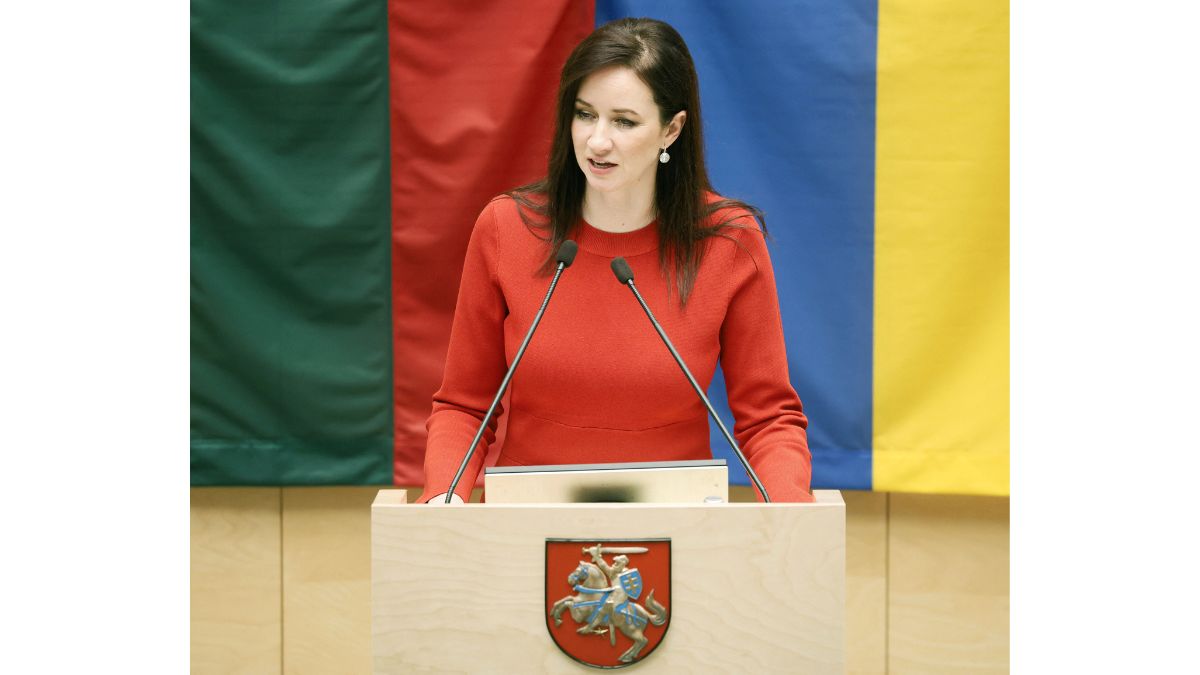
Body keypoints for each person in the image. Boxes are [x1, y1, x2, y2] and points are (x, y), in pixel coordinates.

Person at [420, 17, 813, 504]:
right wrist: (443, 498)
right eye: (586, 115)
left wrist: (791, 512)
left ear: (672, 129)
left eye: (624, 122)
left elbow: (768, 419)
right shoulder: (508, 228)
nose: (597, 141)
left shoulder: (728, 241)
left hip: (677, 531)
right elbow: (465, 406)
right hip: (527, 531)